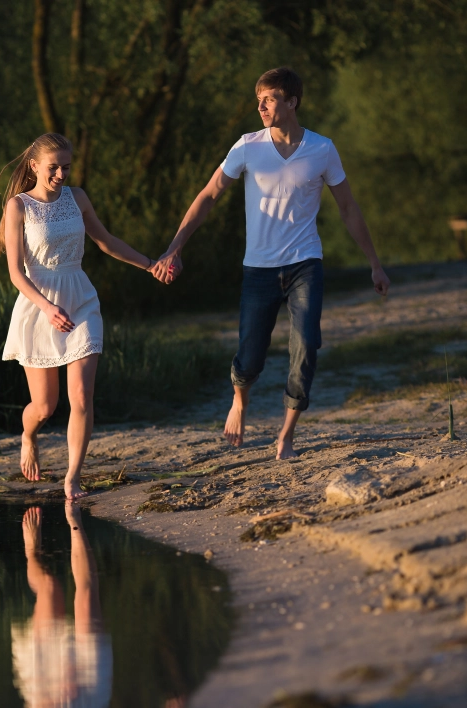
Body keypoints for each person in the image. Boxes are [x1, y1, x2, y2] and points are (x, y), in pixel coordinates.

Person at [153, 67, 390, 460]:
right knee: (250, 355)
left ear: (292, 102)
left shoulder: (322, 149)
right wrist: (175, 247)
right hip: (258, 268)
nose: (261, 106)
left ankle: (287, 435)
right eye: (259, 99)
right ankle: (240, 399)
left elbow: (348, 207)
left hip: (305, 263)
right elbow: (209, 195)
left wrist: (374, 264)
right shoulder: (247, 146)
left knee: (307, 344)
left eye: (270, 98)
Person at [0, 133, 164, 499]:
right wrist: (47, 306)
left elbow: (106, 241)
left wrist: (149, 264)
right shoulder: (19, 206)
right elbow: (15, 273)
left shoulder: (77, 198)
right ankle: (28, 435)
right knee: (44, 406)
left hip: (81, 300)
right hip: (39, 304)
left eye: (67, 166)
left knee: (81, 397)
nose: (61, 174)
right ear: (34, 166)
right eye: (53, 167)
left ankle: (72, 476)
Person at [11, 504, 112, 708]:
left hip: (45, 684)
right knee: (86, 596)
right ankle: (75, 519)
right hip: (86, 694)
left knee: (49, 586)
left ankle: (32, 552)